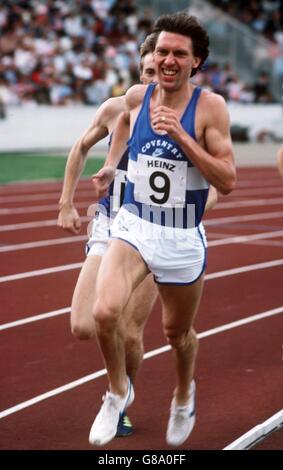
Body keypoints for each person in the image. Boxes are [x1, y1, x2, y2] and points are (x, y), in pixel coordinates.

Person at [89, 11, 236, 447]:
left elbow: (227, 181)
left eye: (178, 54)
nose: (167, 60)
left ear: (196, 62)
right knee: (104, 312)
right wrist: (111, 167)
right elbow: (120, 131)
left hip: (181, 235)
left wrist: (183, 137)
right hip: (133, 225)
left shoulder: (211, 108)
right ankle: (117, 393)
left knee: (177, 335)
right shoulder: (136, 97)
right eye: (161, 52)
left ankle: (184, 392)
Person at [57, 34, 159, 437]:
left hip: (153, 230)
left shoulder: (184, 116)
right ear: (139, 72)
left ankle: (118, 399)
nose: (155, 77)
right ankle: (121, 383)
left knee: (131, 330)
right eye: (148, 70)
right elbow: (81, 147)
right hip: (109, 223)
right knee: (85, 323)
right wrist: (66, 201)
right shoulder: (116, 109)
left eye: (162, 70)